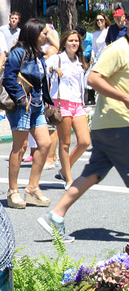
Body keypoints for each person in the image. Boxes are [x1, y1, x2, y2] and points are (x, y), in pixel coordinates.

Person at [39, 33, 129, 241]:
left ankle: (56, 215)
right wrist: (124, 97)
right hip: (117, 125)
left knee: (92, 174)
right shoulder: (118, 49)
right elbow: (93, 78)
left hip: (110, 126)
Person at [3, 18, 53, 209]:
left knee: (45, 144)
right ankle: (13, 191)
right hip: (22, 105)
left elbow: (41, 81)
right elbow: (8, 78)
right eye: (44, 33)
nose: (47, 36)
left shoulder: (38, 55)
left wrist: (46, 100)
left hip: (37, 105)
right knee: (20, 147)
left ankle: (32, 188)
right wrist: (22, 99)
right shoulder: (18, 52)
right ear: (34, 33)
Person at [46, 30, 91, 189]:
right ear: (64, 43)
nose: (74, 43)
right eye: (71, 40)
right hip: (61, 103)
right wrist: (53, 69)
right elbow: (47, 66)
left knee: (85, 141)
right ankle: (69, 179)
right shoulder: (57, 58)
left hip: (77, 104)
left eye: (76, 41)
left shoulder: (79, 61)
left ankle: (65, 170)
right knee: (65, 143)